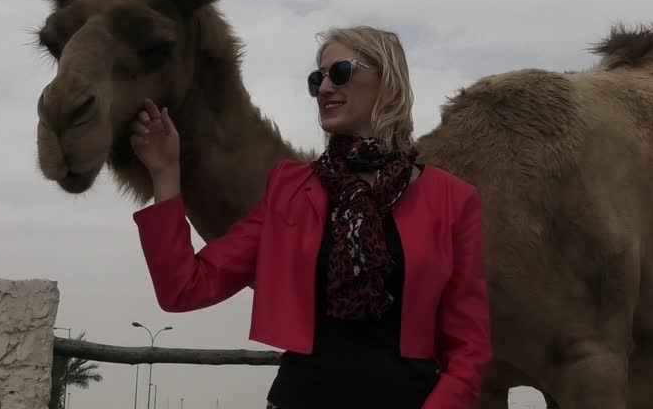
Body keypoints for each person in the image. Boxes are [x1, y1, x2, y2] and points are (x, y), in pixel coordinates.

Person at [129, 25, 492, 409]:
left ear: (388, 82)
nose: (323, 88)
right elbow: (184, 287)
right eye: (317, 79)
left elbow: (469, 348)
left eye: (340, 73)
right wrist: (165, 172)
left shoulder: (452, 199)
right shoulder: (290, 190)